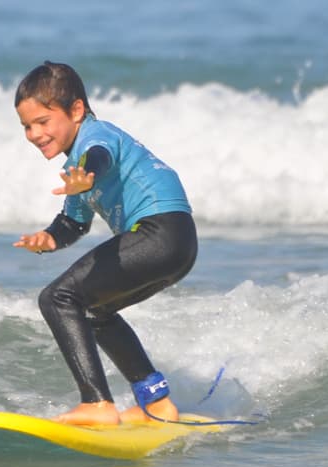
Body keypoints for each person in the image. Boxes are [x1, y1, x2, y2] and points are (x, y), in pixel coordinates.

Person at [13, 61, 198, 427]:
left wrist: (87, 174)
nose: (34, 134)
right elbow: (73, 223)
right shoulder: (77, 173)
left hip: (158, 231)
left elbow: (101, 156)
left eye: (43, 122)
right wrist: (48, 238)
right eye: (26, 126)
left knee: (58, 298)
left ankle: (96, 404)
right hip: (179, 244)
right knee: (95, 311)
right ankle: (156, 401)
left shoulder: (96, 139)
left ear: (77, 110)